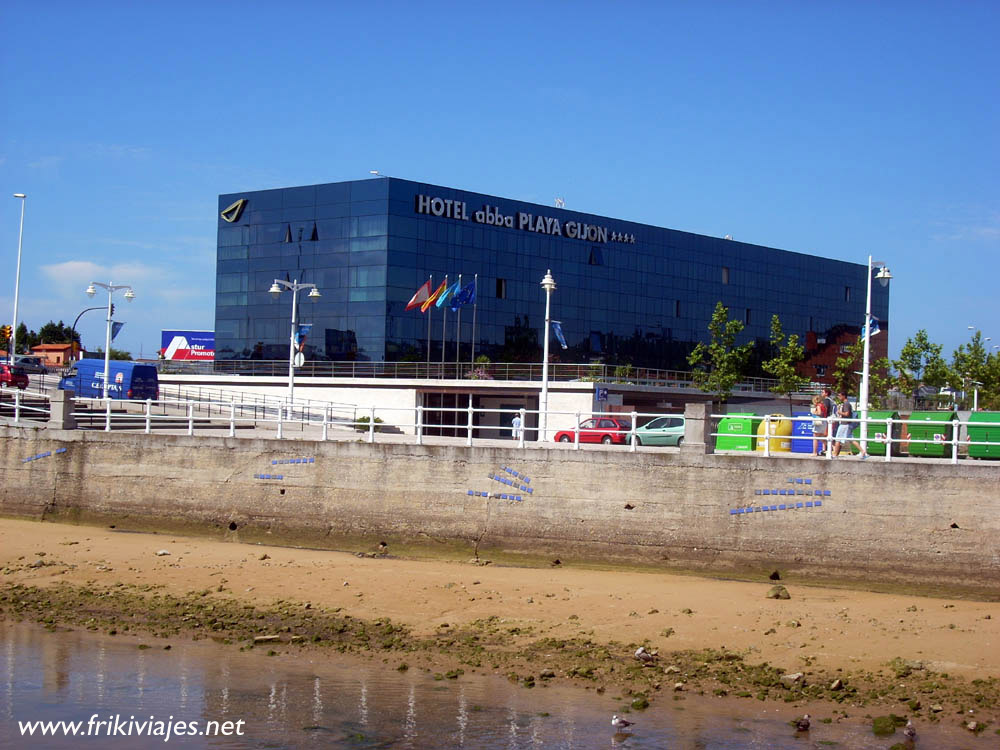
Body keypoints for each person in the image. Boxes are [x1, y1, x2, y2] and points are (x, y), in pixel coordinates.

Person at [832, 391, 868, 459]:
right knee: (851, 439)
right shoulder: (847, 404)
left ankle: (834, 455)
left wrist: (839, 412)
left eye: (839, 396)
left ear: (844, 396)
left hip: (844, 424)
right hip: (847, 424)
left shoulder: (846, 404)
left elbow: (847, 414)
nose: (838, 397)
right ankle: (863, 452)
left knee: (838, 439)